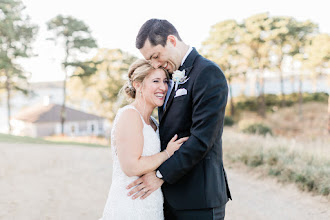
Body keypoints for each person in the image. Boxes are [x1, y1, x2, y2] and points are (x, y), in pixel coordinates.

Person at [127, 19, 232, 219]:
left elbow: (202, 140)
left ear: (172, 40)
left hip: (199, 198)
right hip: (170, 198)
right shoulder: (168, 77)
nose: (156, 64)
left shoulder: (208, 73)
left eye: (156, 56)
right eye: (150, 61)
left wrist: (160, 175)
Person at [99, 59, 188, 220]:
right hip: (130, 205)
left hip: (151, 204)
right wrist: (167, 153)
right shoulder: (130, 115)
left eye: (165, 81)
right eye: (156, 81)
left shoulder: (154, 122)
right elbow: (132, 167)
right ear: (137, 85)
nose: (163, 87)